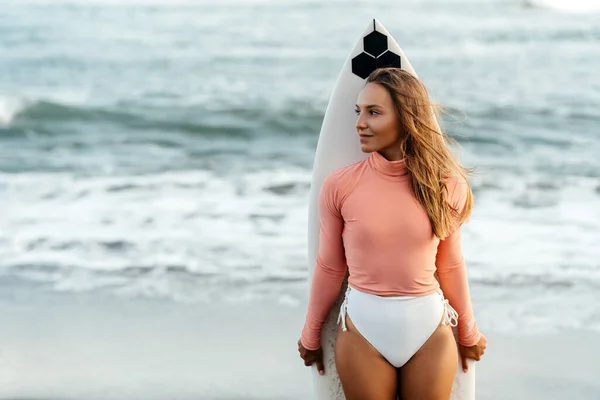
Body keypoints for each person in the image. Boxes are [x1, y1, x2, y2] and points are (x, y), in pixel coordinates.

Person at [297, 67, 487, 400]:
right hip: (362, 331)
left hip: (430, 329)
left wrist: (468, 332)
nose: (359, 122)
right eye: (358, 111)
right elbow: (329, 266)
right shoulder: (340, 186)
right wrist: (311, 334)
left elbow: (451, 264)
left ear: (405, 118)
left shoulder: (446, 186)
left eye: (373, 112)